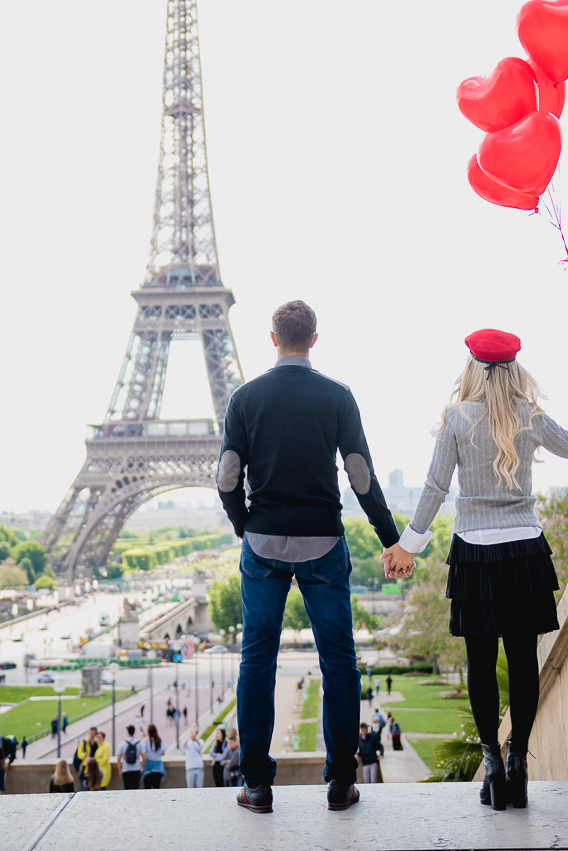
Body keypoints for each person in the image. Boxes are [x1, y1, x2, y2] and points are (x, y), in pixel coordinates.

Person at [384, 329, 568, 812]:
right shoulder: (527, 413)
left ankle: (491, 761)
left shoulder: (455, 418)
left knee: (480, 664)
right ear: (513, 368)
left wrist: (408, 546)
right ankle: (518, 763)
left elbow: (433, 487)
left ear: (471, 367)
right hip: (524, 551)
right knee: (524, 662)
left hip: (475, 552)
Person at [216, 301, 403, 813]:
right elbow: (361, 476)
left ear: (272, 338)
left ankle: (255, 785)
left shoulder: (244, 398)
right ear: (314, 340)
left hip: (264, 543)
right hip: (323, 543)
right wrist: (391, 539)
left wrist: (244, 525)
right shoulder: (337, 396)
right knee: (339, 663)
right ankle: (341, 784)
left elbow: (227, 477)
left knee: (256, 662)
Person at [141, 724, 167, 789]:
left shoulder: (145, 742)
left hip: (148, 769)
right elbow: (163, 753)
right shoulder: (159, 741)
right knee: (156, 788)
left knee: (147, 788)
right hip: (157, 768)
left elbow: (143, 753)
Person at [117, 724, 142, 790]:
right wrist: (141, 766)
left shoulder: (122, 743)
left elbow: (118, 759)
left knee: (127, 789)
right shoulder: (139, 743)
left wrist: (120, 770)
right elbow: (144, 756)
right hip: (136, 769)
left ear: (127, 732)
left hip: (126, 769)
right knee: (136, 790)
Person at [75, 726, 98, 791]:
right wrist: (83, 755)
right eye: (90, 733)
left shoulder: (97, 743)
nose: (91, 735)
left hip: (94, 769)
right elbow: (79, 753)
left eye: (93, 733)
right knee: (84, 789)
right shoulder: (84, 742)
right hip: (86, 769)